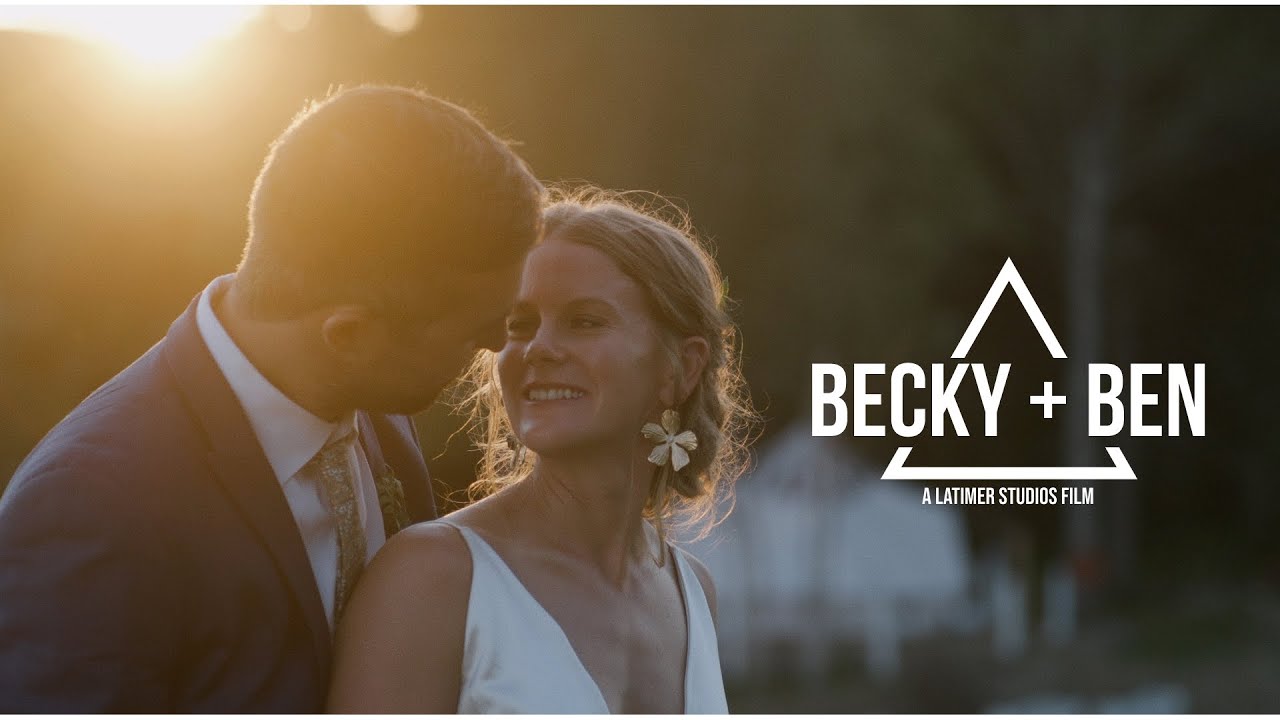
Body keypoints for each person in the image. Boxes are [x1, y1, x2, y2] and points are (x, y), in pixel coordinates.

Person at [0, 85, 543, 712]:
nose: (499, 342)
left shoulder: (377, 410)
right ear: (349, 333)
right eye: (476, 328)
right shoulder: (86, 505)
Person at [328, 188, 755, 713]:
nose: (539, 348)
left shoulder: (693, 594)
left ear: (681, 369)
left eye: (585, 321)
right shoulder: (433, 578)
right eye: (519, 324)